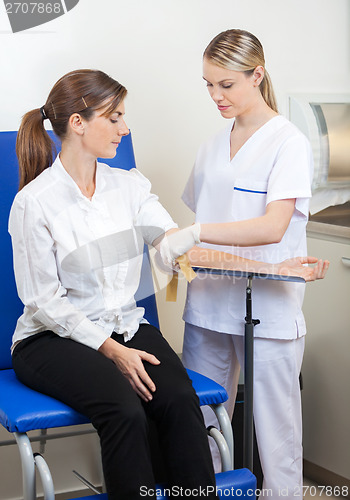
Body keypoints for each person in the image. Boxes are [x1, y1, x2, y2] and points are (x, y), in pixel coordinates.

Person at [9, 69, 220, 500]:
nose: (126, 128)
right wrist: (112, 350)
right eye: (115, 117)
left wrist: (188, 241)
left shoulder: (129, 185)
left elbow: (166, 241)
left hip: (124, 323)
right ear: (78, 123)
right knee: (124, 411)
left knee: (180, 401)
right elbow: (44, 302)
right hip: (51, 338)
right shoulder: (34, 203)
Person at [177, 29, 329, 500]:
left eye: (226, 84)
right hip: (206, 302)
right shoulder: (211, 145)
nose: (215, 96)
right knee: (200, 424)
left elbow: (272, 226)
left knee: (275, 431)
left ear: (257, 75)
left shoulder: (288, 143)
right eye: (208, 84)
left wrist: (197, 234)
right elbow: (202, 213)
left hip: (267, 306)